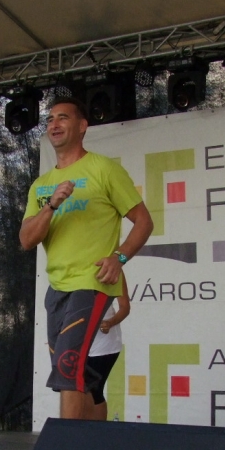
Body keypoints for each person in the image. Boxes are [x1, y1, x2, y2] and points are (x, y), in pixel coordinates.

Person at [20, 97, 153, 420]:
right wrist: (51, 205)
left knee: (69, 369)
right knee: (76, 377)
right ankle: (96, 442)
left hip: (91, 284)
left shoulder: (104, 169)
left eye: (63, 118)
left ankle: (66, 446)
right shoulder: (41, 186)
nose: (54, 124)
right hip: (57, 287)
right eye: (50, 119)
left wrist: (119, 258)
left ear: (82, 127)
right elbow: (26, 239)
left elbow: (144, 221)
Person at [85, 274, 130, 421]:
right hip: (79, 339)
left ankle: (98, 430)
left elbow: (125, 307)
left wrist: (110, 323)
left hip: (104, 343)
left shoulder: (113, 270)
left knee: (94, 389)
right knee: (79, 390)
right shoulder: (75, 269)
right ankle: (84, 428)